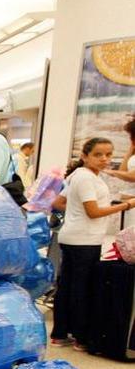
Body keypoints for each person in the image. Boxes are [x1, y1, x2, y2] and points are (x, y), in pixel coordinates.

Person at [51, 138, 135, 350]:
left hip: (72, 236)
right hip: (84, 240)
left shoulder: (77, 175)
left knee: (67, 286)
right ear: (85, 156)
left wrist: (75, 211)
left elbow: (59, 203)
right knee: (82, 288)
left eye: (108, 154)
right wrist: (127, 205)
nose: (104, 159)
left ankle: (60, 334)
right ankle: (81, 338)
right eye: (98, 155)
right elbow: (94, 212)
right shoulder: (87, 178)